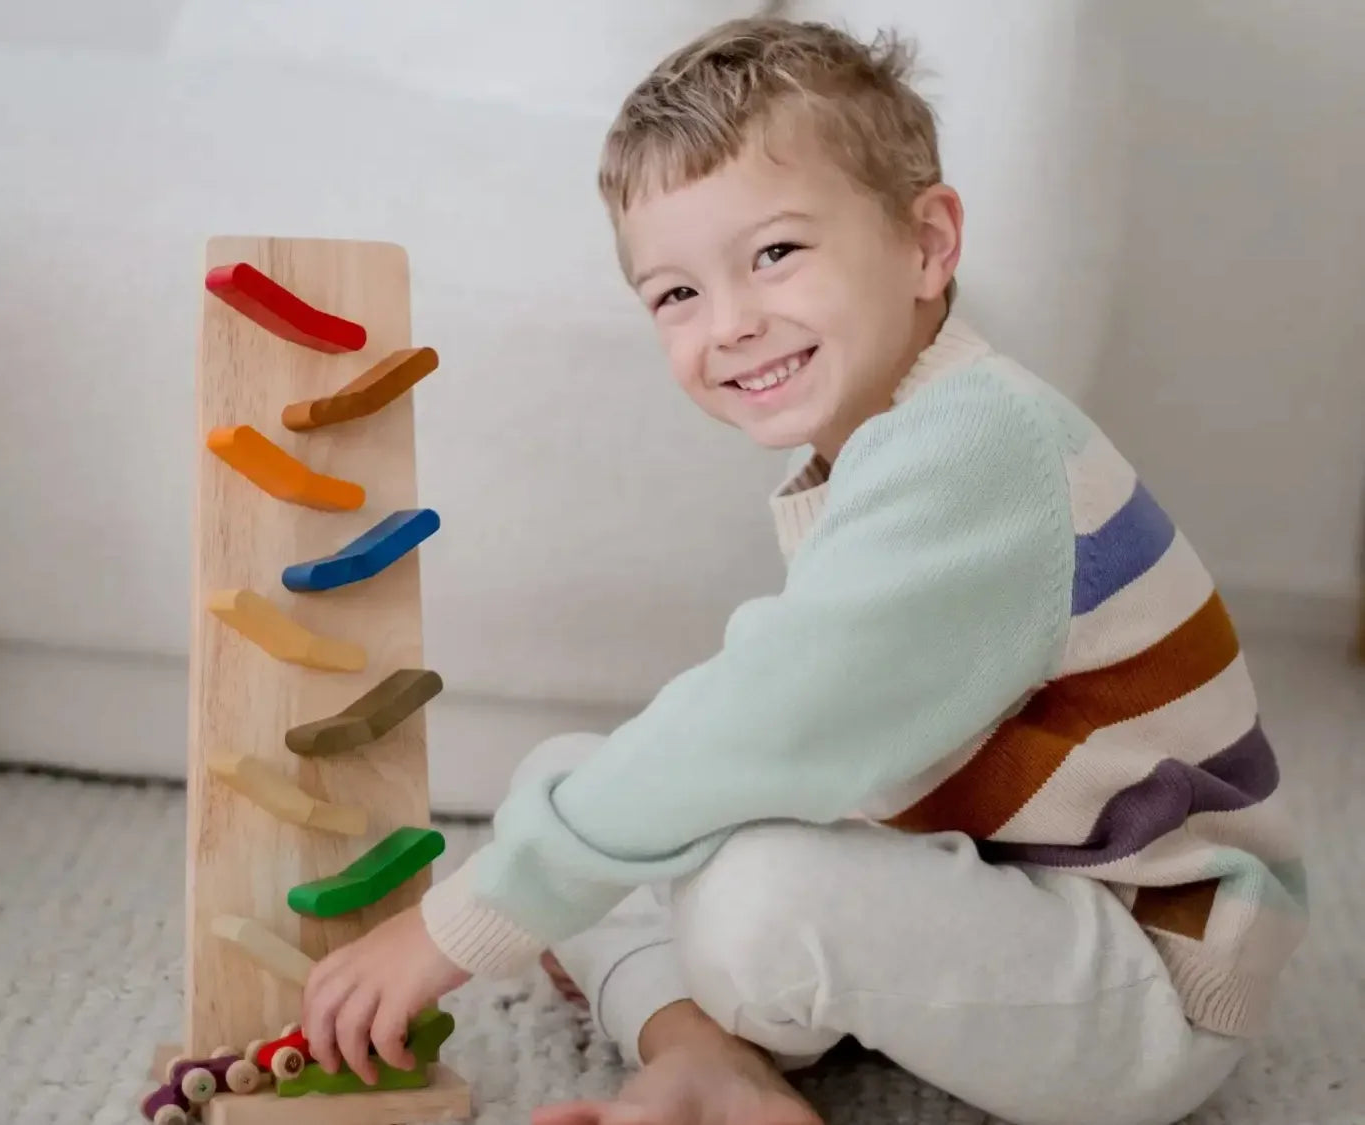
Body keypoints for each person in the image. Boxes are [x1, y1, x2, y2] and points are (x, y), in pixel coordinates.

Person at [299, 16, 1308, 1125]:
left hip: (1145, 980)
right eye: (676, 294)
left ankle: (694, 1014)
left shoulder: (977, 447)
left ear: (927, 244)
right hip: (999, 891)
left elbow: (764, 722)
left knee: (737, 890)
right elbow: (771, 754)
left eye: (775, 253)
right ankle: (701, 1057)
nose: (729, 324)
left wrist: (463, 925)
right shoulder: (893, 440)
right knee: (579, 775)